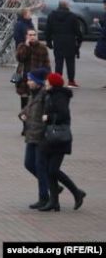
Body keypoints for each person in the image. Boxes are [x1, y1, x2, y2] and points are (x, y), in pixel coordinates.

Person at [38, 72, 86, 212]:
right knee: (50, 170)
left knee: (53, 170)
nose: (45, 84)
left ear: (52, 84)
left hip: (59, 138)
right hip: (50, 138)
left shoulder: (59, 96)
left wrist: (48, 117)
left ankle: (77, 192)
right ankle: (54, 202)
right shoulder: (51, 94)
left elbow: (63, 115)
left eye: (47, 82)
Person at [21, 67, 51, 209]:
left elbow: (49, 113)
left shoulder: (45, 95)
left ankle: (44, 197)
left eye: (30, 80)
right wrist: (22, 114)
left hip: (41, 135)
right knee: (29, 164)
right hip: (31, 134)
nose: (28, 82)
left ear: (38, 82)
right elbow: (27, 109)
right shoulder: (34, 94)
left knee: (40, 167)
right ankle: (53, 186)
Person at [44, 0, 83, 87]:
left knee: (58, 62)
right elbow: (78, 31)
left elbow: (47, 30)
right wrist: (79, 40)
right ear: (67, 6)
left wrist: (49, 41)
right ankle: (71, 81)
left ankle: (58, 80)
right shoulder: (72, 16)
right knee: (70, 62)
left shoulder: (52, 15)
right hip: (70, 42)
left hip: (57, 41)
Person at [15, 27, 50, 119]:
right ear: (26, 36)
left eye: (34, 35)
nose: (32, 37)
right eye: (30, 35)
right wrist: (26, 47)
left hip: (37, 81)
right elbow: (20, 58)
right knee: (24, 104)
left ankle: (33, 124)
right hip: (24, 79)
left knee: (36, 103)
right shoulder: (22, 46)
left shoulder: (42, 48)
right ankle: (25, 125)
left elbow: (47, 65)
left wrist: (48, 78)